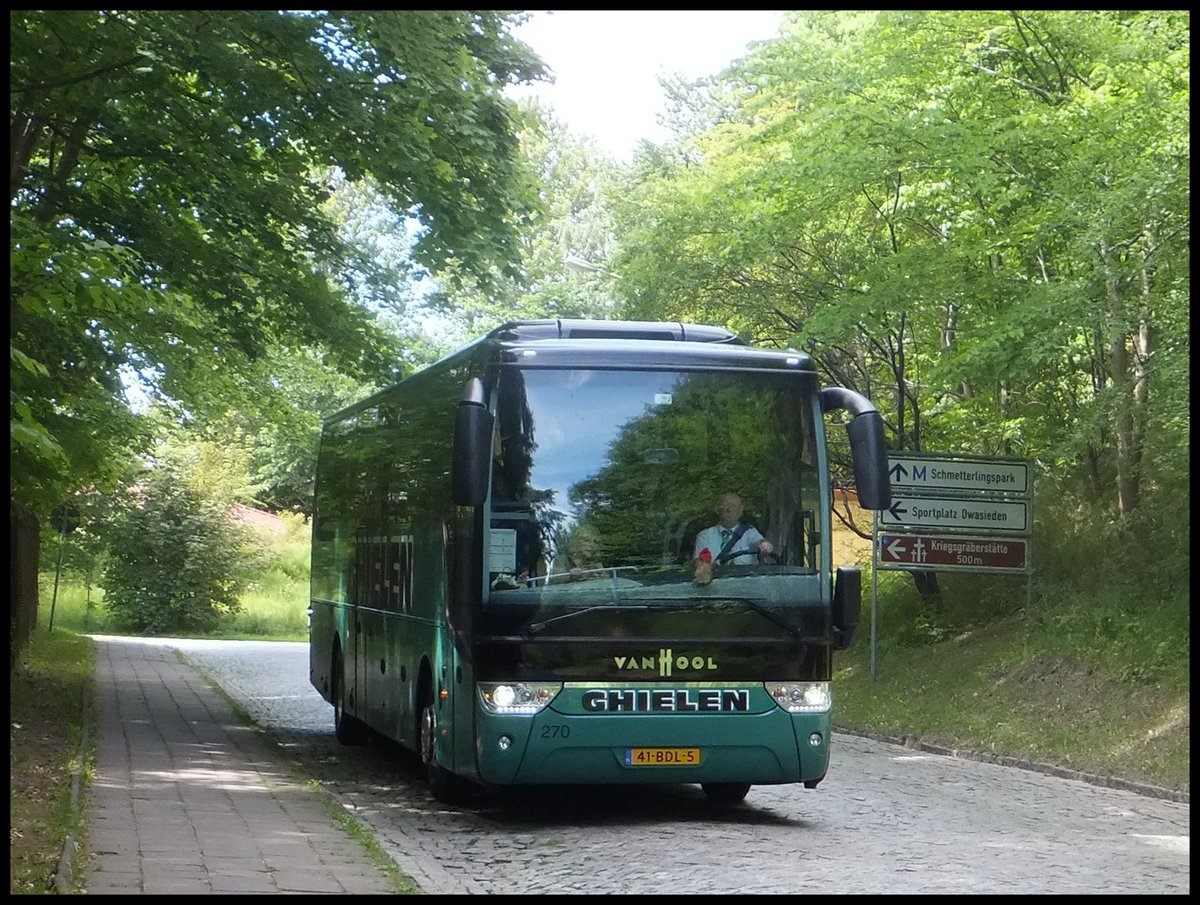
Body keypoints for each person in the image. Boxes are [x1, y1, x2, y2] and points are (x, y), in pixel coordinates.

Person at [693, 492, 773, 577]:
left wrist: (765, 546)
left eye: (733, 506)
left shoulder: (749, 532)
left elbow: (760, 542)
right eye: (726, 505)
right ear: (718, 510)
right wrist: (707, 567)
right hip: (715, 585)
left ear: (740, 510)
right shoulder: (705, 536)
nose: (729, 509)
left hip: (746, 583)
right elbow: (700, 565)